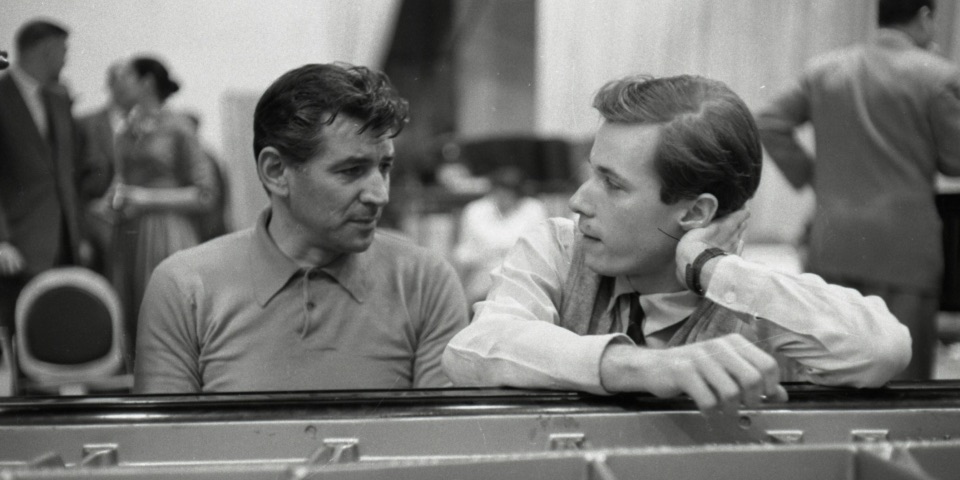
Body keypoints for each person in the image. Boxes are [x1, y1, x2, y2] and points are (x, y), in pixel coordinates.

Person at [442, 74, 912, 414]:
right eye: (591, 172)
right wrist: (644, 367)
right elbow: (475, 348)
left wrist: (711, 269)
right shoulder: (560, 249)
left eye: (612, 183)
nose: (579, 200)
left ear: (694, 214)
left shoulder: (751, 298)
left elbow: (883, 349)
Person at [134, 62, 469, 393]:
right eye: (351, 170)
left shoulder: (426, 284)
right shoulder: (184, 289)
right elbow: (166, 445)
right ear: (276, 171)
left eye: (384, 167)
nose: (380, 194)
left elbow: (441, 443)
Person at [755, 0, 960, 380]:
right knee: (902, 378)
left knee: (831, 370)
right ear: (926, 17)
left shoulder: (825, 69)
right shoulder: (937, 75)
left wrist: (813, 177)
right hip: (905, 252)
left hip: (834, 242)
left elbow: (767, 121)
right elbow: (955, 160)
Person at [107, 56, 218, 350]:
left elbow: (205, 194)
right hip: (130, 233)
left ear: (146, 83)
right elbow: (120, 179)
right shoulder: (125, 132)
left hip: (168, 233)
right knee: (133, 315)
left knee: (169, 316)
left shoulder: (179, 127)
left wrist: (146, 198)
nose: (119, 83)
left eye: (127, 76)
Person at [0, 19, 85, 334]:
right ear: (46, 51)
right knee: (20, 333)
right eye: (63, 51)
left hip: (64, 240)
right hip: (17, 247)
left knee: (60, 332)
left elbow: (70, 169)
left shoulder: (58, 99)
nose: (66, 59)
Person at [453, 165, 549, 306]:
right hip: (482, 279)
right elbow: (464, 255)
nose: (504, 196)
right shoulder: (474, 210)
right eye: (500, 191)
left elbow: (540, 253)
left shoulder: (534, 209)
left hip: (523, 279)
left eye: (510, 192)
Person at [76, 61, 127, 278]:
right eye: (123, 81)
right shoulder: (85, 124)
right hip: (95, 220)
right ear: (111, 85)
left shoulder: (150, 126)